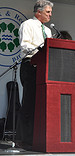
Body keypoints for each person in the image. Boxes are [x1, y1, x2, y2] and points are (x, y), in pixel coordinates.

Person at [17, 0, 53, 148]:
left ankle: (39, 138)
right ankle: (25, 139)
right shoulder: (28, 25)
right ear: (38, 12)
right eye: (48, 12)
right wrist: (41, 50)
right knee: (29, 103)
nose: (51, 15)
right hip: (30, 66)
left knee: (42, 104)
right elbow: (25, 45)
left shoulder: (48, 30)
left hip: (44, 68)